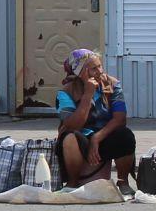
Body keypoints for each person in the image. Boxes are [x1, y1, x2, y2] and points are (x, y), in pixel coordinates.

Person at [56, 49, 136, 191]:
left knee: (125, 135)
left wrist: (97, 138)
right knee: (69, 138)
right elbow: (72, 125)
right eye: (93, 69)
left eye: (100, 66)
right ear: (80, 73)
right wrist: (87, 95)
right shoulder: (66, 92)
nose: (100, 71)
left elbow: (120, 119)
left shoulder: (112, 85)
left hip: (103, 136)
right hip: (80, 138)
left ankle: (123, 182)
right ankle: (73, 183)